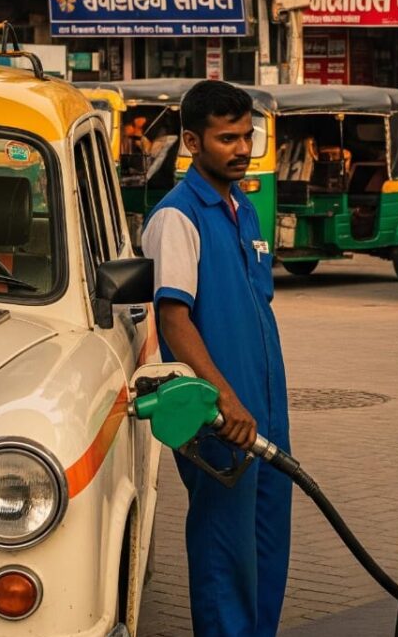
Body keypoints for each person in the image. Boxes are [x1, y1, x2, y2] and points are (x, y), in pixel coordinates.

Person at [141, 81, 290, 637]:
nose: (241, 147)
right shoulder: (176, 218)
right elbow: (174, 319)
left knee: (268, 542)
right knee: (225, 550)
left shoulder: (243, 208)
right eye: (226, 138)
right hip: (218, 415)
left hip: (264, 410)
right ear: (191, 141)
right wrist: (224, 399)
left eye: (246, 135)